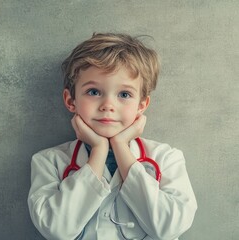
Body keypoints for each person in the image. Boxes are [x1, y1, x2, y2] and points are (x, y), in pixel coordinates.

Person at [27, 33, 197, 240]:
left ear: (141, 105)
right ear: (71, 100)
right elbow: (57, 229)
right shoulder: (48, 161)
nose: (108, 105)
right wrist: (98, 151)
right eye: (94, 92)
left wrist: (120, 147)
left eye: (124, 95)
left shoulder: (167, 158)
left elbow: (169, 228)